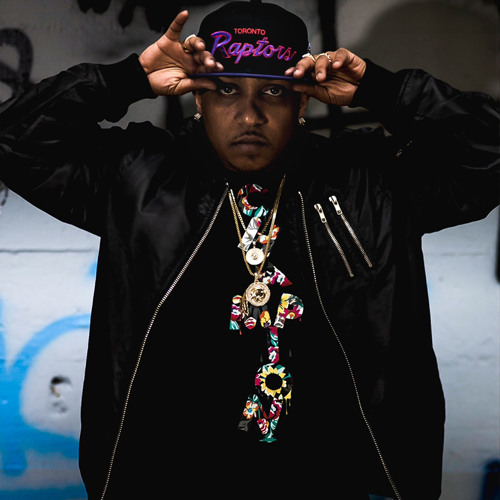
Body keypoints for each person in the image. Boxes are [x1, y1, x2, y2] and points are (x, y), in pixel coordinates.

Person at [0, 0, 498, 498]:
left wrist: (382, 90)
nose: (249, 115)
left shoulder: (367, 181)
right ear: (199, 97)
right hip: (167, 480)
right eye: (226, 89)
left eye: (274, 92)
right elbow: (14, 142)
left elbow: (489, 152)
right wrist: (127, 79)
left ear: (301, 102)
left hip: (323, 481)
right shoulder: (139, 177)